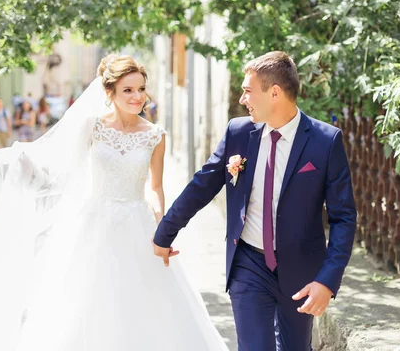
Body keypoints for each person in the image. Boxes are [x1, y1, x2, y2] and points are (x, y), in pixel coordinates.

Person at [0, 55, 228, 351]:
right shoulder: (92, 127)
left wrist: (162, 230)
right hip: (94, 224)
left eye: (141, 89)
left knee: (142, 305)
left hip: (137, 226)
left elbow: (155, 188)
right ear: (110, 93)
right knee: (84, 304)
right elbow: (64, 172)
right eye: (128, 90)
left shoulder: (155, 136)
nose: (137, 97)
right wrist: (26, 163)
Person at [153, 51, 357, 350]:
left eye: (248, 91)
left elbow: (343, 217)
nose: (242, 99)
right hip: (248, 263)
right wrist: (164, 233)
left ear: (274, 93)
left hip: (301, 271)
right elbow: (203, 184)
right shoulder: (238, 132)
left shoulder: (325, 141)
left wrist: (327, 280)